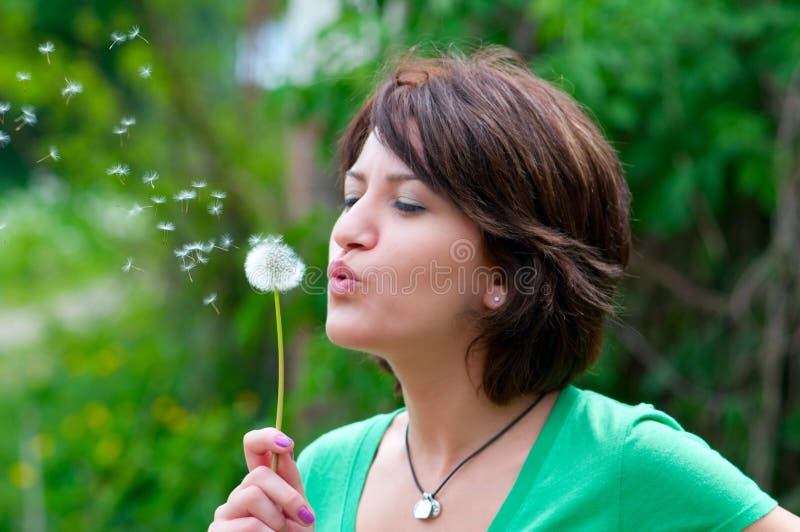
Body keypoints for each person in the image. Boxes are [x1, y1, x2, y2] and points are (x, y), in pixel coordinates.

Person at [210, 46, 800, 531]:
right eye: (351, 195)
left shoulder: (627, 461)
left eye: (408, 203)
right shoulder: (320, 474)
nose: (348, 231)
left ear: (504, 274)